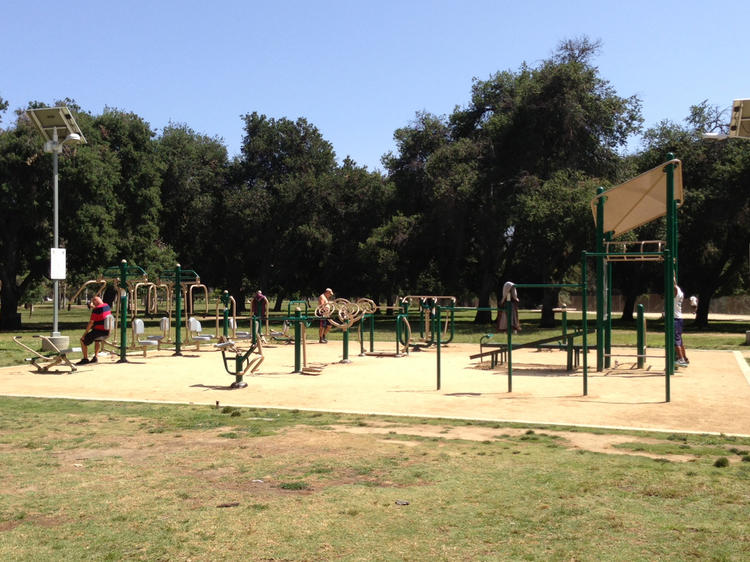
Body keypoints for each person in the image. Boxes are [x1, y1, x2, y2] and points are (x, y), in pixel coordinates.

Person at [78, 296, 112, 365]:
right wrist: (93, 307)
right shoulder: (107, 306)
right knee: (97, 341)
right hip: (107, 332)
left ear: (96, 301)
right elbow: (100, 309)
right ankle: (95, 357)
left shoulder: (96, 310)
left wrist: (84, 334)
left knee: (82, 340)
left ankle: (85, 359)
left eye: (94, 302)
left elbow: (91, 323)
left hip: (99, 332)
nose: (93, 304)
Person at [674, 279, 689, 367]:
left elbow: (673, 284)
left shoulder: (676, 291)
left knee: (676, 340)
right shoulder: (680, 292)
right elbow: (674, 283)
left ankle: (681, 359)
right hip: (679, 318)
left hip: (675, 319)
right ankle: (685, 358)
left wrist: (672, 274)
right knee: (680, 340)